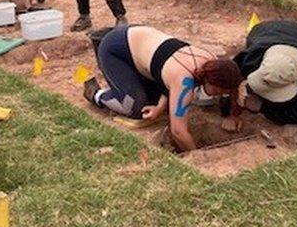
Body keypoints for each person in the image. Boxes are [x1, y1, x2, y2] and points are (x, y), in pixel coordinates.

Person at [83, 25, 242, 152]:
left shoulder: (212, 62)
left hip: (143, 50)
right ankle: (97, 94)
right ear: (211, 81)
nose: (218, 96)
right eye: (219, 91)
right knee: (134, 107)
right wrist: (197, 156)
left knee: (161, 106)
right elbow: (178, 132)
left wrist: (159, 107)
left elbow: (170, 83)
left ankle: (136, 87)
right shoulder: (185, 83)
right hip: (116, 49)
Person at [231, 19, 297, 127]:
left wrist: (264, 108)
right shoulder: (251, 56)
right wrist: (234, 106)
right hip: (264, 29)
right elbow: (231, 75)